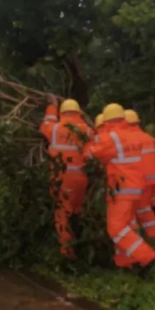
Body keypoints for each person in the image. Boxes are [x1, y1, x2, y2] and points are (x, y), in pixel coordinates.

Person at [85, 103, 155, 276]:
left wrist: (87, 146)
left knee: (116, 228)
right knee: (128, 225)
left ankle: (146, 256)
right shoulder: (133, 136)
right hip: (136, 187)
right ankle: (127, 261)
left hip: (121, 188)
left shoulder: (111, 137)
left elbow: (92, 155)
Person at [40, 95, 93, 258]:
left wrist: (52, 105)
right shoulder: (88, 130)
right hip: (81, 179)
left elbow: (45, 125)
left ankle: (67, 251)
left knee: (63, 212)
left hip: (61, 178)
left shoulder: (55, 129)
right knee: (78, 210)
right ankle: (83, 242)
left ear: (62, 113)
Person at [124, 109, 155, 237]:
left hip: (143, 179)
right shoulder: (149, 138)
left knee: (142, 207)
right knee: (152, 200)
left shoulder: (128, 140)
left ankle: (152, 234)